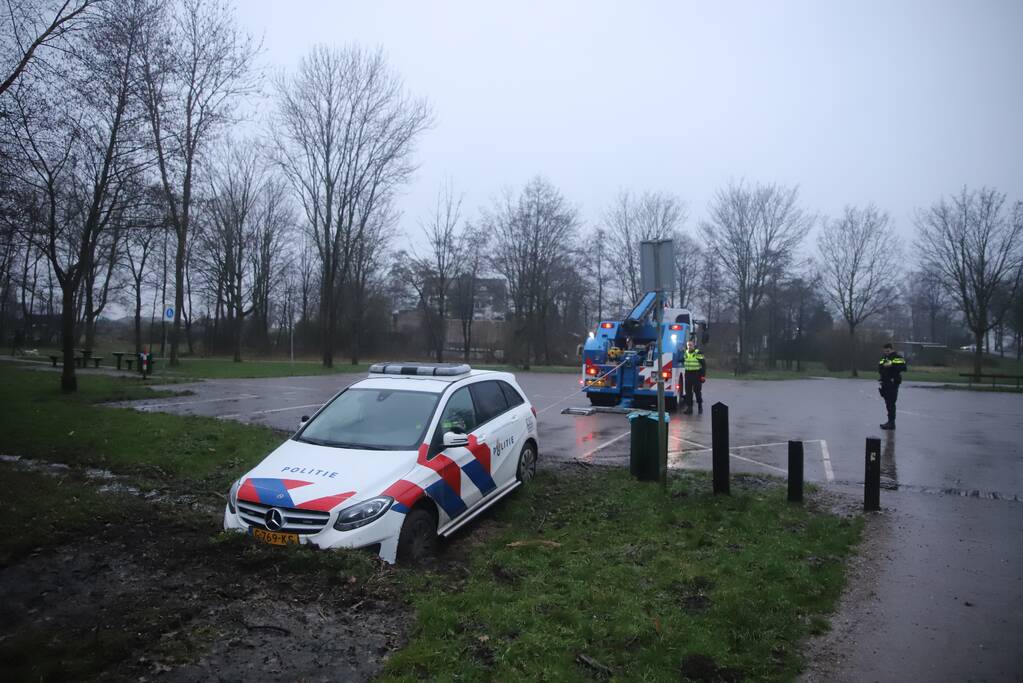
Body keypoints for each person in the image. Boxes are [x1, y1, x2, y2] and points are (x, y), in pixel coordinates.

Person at [878, 342, 907, 430]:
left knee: (891, 403)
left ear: (891, 349)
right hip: (885, 382)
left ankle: (891, 423)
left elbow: (903, 367)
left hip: (893, 382)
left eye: (888, 351)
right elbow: (880, 367)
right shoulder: (884, 357)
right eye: (885, 351)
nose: (886, 353)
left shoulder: (897, 357)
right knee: (888, 403)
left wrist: (891, 365)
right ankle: (889, 421)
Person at [681, 339, 705, 415]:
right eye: (688, 345)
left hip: (696, 374)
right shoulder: (686, 353)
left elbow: (703, 365)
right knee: (688, 392)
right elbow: (683, 360)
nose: (689, 346)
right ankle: (689, 408)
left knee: (697, 391)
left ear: (694, 345)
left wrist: (703, 376)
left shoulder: (698, 352)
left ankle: (700, 407)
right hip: (688, 374)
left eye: (691, 345)